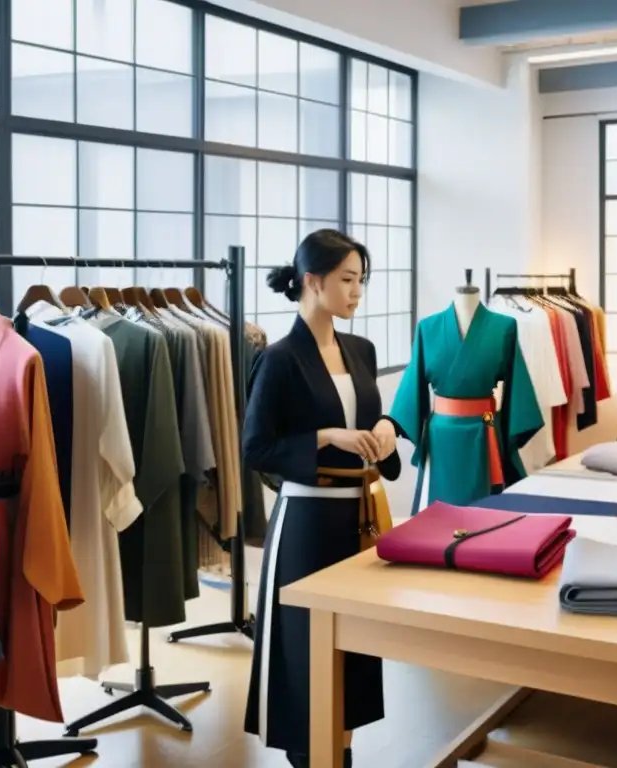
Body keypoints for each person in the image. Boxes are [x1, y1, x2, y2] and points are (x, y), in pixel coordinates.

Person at [241, 229, 402, 768]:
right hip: (306, 521)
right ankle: (311, 756)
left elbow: (373, 418)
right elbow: (256, 447)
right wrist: (326, 437)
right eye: (348, 281)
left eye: (362, 282)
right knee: (307, 650)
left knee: (352, 649)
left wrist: (385, 426)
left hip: (359, 520)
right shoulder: (280, 359)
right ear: (312, 281)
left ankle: (343, 753)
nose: (357, 293)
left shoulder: (361, 348)